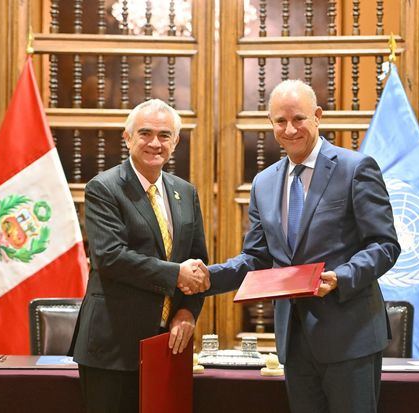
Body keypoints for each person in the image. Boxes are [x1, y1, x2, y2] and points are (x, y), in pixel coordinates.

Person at [202, 80, 400, 413]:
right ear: (271, 124)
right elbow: (256, 258)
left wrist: (341, 277)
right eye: (280, 121)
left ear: (318, 116)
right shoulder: (264, 183)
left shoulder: (355, 169)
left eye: (298, 119)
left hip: (350, 337)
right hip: (293, 342)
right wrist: (207, 278)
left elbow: (384, 245)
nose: (290, 129)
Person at [69, 99, 209, 413]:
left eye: (164, 135)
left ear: (175, 142)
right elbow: (110, 257)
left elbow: (198, 264)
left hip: (166, 345)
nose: (155, 143)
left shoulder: (185, 192)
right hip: (113, 349)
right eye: (145, 133)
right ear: (128, 137)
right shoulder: (104, 188)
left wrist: (188, 312)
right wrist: (175, 274)